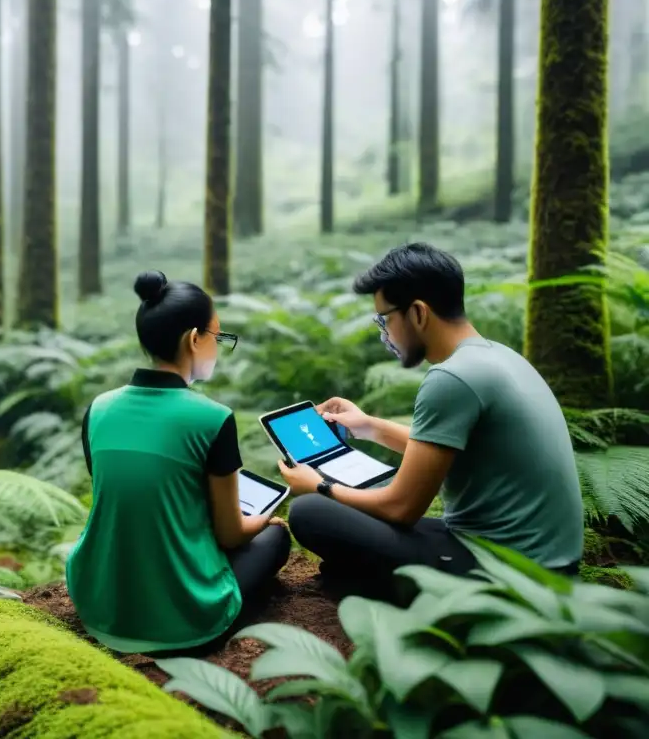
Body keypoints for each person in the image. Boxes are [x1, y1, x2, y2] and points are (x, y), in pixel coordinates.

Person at [277, 242, 584, 600]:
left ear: (418, 313)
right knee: (356, 505)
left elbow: (401, 509)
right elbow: (445, 446)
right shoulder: (496, 357)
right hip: (545, 563)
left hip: (508, 574)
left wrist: (319, 485)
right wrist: (368, 425)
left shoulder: (451, 379)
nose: (385, 333)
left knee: (311, 511)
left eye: (385, 319)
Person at [66, 270, 291, 656]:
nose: (218, 347)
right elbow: (229, 536)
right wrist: (263, 521)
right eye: (217, 337)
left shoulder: (98, 409)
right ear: (194, 339)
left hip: (102, 605)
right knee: (275, 538)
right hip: (183, 621)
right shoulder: (212, 418)